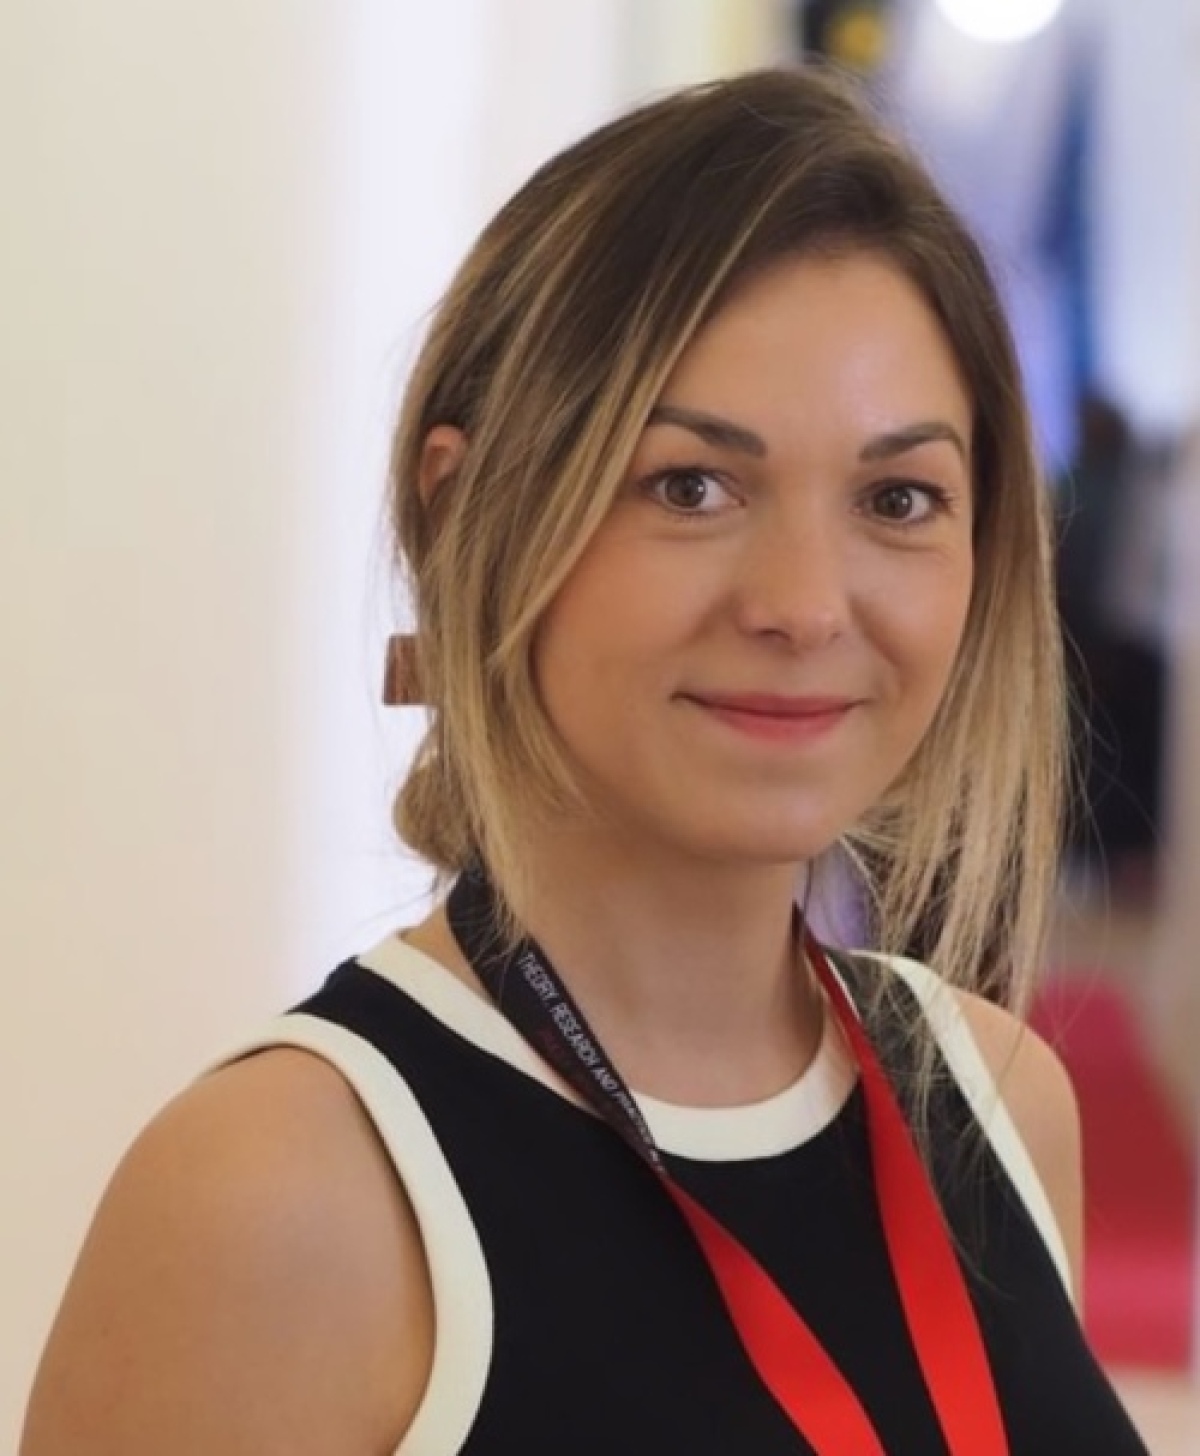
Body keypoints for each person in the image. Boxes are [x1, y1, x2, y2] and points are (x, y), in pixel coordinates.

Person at [21, 67, 1150, 1455]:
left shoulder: (997, 1103)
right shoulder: (287, 1194)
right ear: (464, 507)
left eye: (898, 498)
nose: (804, 601)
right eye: (690, 486)